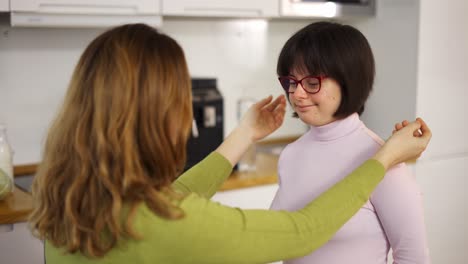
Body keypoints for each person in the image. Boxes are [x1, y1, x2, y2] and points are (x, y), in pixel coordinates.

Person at [28, 23, 431, 264]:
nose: (187, 117)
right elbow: (301, 231)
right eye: (179, 102)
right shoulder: (163, 223)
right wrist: (386, 157)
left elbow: (174, 194)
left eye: (313, 81)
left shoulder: (69, 204)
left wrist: (243, 136)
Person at [270, 21, 431, 264]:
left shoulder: (385, 160)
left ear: (348, 81)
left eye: (312, 83)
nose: (297, 94)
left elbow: (413, 258)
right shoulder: (291, 154)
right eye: (292, 82)